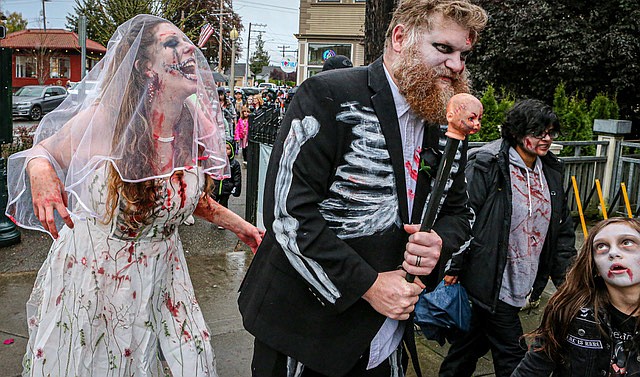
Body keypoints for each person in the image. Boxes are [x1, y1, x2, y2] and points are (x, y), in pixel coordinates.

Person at [238, 1, 487, 375]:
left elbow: (458, 213)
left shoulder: (446, 120)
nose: (457, 65)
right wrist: (369, 285)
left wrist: (439, 245)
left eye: (463, 54)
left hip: (386, 340)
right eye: (444, 48)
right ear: (400, 38)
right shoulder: (327, 94)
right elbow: (288, 214)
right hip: (306, 332)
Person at [6, 15, 262, 376]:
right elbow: (40, 153)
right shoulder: (106, 120)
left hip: (166, 274)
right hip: (98, 280)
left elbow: (176, 198)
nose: (188, 47)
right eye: (172, 44)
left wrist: (241, 226)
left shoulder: (188, 126)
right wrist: (42, 174)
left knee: (194, 363)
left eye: (185, 41)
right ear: (144, 68)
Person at [439, 99, 577, 377]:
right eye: (539, 132)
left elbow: (561, 229)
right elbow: (463, 216)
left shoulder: (550, 171)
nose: (547, 139)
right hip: (489, 275)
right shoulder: (487, 164)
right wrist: (453, 265)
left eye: (551, 132)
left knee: (468, 346)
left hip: (524, 275)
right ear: (517, 132)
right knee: (513, 355)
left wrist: (567, 281)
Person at [512, 217, 640, 377]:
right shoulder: (569, 310)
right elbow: (531, 369)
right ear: (595, 267)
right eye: (601, 246)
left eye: (627, 242)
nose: (613, 253)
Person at [211, 141, 242, 230]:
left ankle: (222, 222)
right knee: (213, 204)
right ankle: (215, 218)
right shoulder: (216, 161)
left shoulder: (234, 164)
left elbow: (237, 177)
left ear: (232, 150)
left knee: (223, 205)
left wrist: (236, 188)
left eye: (228, 149)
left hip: (226, 188)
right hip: (215, 187)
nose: (225, 151)